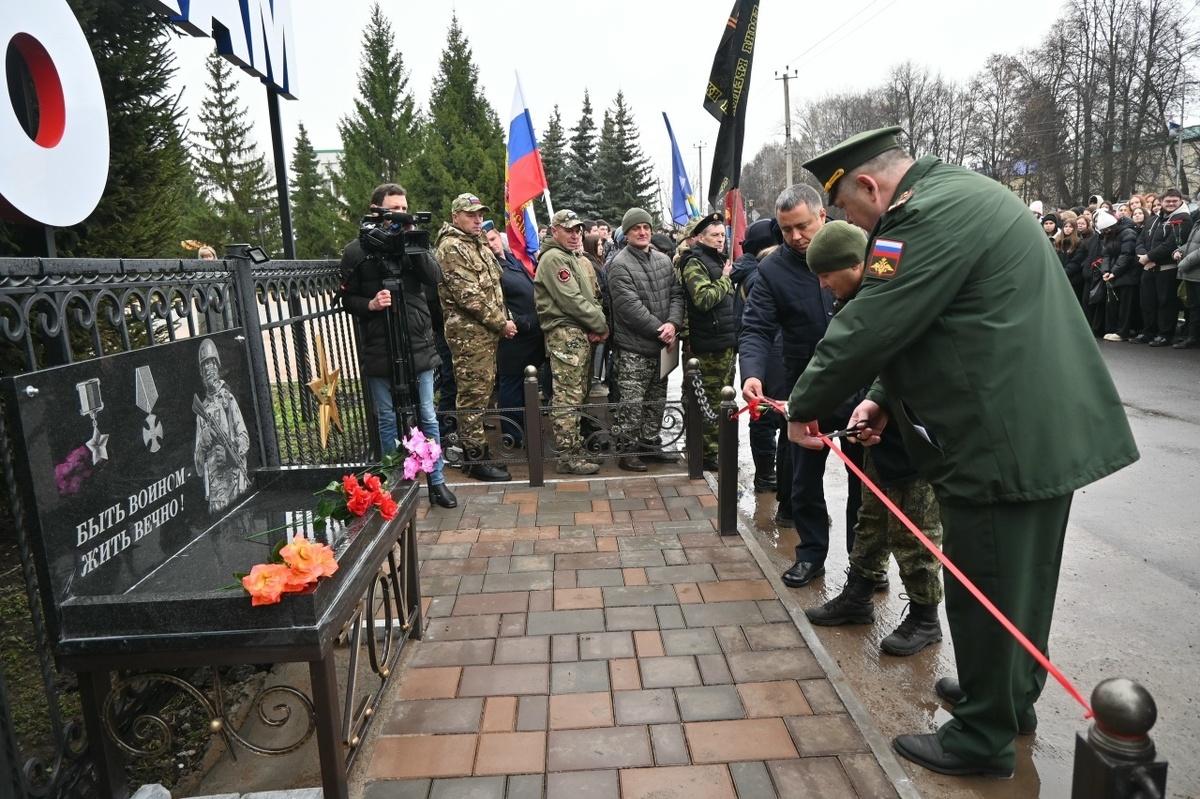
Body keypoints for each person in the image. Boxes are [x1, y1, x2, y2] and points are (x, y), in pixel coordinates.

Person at [792, 126, 1138, 779]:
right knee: (1023, 583)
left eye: (848, 212)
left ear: (870, 186)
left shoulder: (914, 219)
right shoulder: (965, 195)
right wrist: (882, 399)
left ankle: (981, 736)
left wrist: (805, 405)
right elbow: (942, 323)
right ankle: (1007, 699)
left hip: (999, 441)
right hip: (1033, 429)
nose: (854, 226)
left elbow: (878, 318)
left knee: (989, 588)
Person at [799, 220, 944, 657]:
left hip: (920, 431)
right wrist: (876, 402)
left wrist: (803, 410)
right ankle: (859, 594)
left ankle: (925, 616)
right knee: (871, 517)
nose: (823, 286)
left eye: (826, 275)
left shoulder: (888, 293)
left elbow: (853, 358)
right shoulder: (872, 289)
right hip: (886, 424)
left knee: (914, 530)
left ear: (853, 265)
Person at [740, 184, 861, 588]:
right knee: (804, 482)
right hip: (806, 390)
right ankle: (811, 554)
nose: (794, 237)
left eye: (802, 226)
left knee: (866, 481)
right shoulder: (772, 270)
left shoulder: (856, 249)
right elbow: (756, 327)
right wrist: (752, 372)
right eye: (785, 229)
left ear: (823, 215)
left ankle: (865, 564)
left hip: (861, 387)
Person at [338, 183, 457, 508]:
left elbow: (434, 278)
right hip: (380, 346)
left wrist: (412, 242)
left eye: (403, 208)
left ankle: (436, 481)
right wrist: (371, 304)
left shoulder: (414, 242)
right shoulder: (356, 251)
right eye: (393, 208)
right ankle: (396, 486)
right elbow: (346, 298)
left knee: (428, 416)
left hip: (417, 342)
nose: (399, 214)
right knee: (387, 418)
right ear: (376, 210)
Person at [434, 192, 516, 481]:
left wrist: (504, 318)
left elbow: (493, 287)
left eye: (480, 214)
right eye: (471, 214)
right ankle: (475, 459)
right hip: (469, 336)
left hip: (484, 333)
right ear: (455, 217)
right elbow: (469, 297)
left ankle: (478, 450)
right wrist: (501, 323)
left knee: (481, 394)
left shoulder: (476, 243)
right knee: (472, 397)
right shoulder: (452, 247)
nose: (478, 219)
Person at [606, 207, 685, 470]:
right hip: (633, 349)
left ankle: (650, 444)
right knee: (632, 402)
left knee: (656, 399)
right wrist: (660, 329)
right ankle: (627, 451)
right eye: (636, 228)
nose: (642, 232)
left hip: (662, 346)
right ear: (626, 233)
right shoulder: (619, 264)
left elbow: (676, 294)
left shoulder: (663, 261)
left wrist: (673, 324)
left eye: (646, 227)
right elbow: (629, 308)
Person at [534, 209, 610, 474]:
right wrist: (600, 325)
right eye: (568, 230)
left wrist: (596, 325)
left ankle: (576, 450)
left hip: (580, 333)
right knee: (567, 397)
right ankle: (568, 456)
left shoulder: (573, 257)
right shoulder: (555, 259)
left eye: (578, 230)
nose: (575, 235)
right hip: (566, 335)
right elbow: (572, 301)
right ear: (554, 231)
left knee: (577, 396)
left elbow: (591, 296)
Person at [679, 212, 737, 471]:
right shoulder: (694, 262)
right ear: (700, 237)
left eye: (722, 235)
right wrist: (725, 280)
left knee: (723, 399)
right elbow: (702, 299)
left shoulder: (718, 260)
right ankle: (705, 453)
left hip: (724, 342)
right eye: (714, 235)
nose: (720, 240)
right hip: (708, 345)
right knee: (709, 400)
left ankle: (716, 449)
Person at [730, 218, 783, 493]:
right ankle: (768, 477)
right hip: (771, 353)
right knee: (767, 417)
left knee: (762, 416)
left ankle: (767, 476)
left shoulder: (747, 269)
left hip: (757, 356)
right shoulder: (762, 273)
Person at [486, 221, 548, 449]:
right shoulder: (490, 268)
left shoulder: (509, 259)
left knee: (526, 385)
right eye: (485, 242)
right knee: (511, 384)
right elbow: (498, 303)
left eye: (492, 239)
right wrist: (522, 322)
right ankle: (512, 435)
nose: (490, 245)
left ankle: (525, 427)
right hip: (514, 336)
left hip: (530, 334)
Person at [193, 339, 249, 514]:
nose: (209, 369)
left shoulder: (227, 399)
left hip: (234, 485)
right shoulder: (201, 410)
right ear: (202, 373)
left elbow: (244, 438)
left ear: (217, 367)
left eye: (211, 364)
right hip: (216, 494)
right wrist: (202, 443)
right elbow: (198, 467)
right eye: (205, 366)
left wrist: (230, 451)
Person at [1134, 187, 1191, 346]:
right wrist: (1143, 256)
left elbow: (1171, 244)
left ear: (1180, 201)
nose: (1171, 203)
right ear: (1162, 202)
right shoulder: (1152, 220)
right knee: (1147, 302)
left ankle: (1165, 334)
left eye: (1175, 201)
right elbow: (1140, 240)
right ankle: (1148, 331)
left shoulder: (1184, 219)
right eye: (1168, 201)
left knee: (1166, 303)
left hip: (1167, 269)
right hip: (1148, 268)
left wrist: (1149, 257)